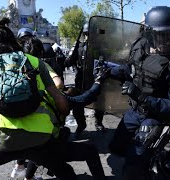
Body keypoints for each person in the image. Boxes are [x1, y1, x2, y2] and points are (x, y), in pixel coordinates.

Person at [0, 17, 76, 180]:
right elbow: (58, 97)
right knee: (64, 170)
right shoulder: (34, 61)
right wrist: (63, 116)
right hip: (40, 136)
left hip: (4, 138)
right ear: (14, 39)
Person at [10, 27, 108, 180]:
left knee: (40, 145)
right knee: (81, 151)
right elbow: (80, 97)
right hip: (43, 142)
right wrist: (98, 81)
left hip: (15, 138)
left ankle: (25, 173)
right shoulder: (49, 89)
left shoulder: (13, 73)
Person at [108, 6, 170, 179]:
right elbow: (131, 70)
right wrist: (109, 72)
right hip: (136, 110)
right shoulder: (140, 46)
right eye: (162, 34)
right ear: (150, 33)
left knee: (133, 166)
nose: (168, 39)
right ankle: (153, 159)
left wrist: (142, 98)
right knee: (116, 147)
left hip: (156, 116)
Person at [65, 23, 106, 137]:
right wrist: (70, 57)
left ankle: (99, 123)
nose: (88, 36)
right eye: (87, 34)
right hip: (81, 80)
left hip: (95, 79)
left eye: (90, 34)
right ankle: (81, 125)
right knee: (78, 104)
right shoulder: (79, 46)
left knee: (99, 102)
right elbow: (68, 62)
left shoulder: (100, 47)